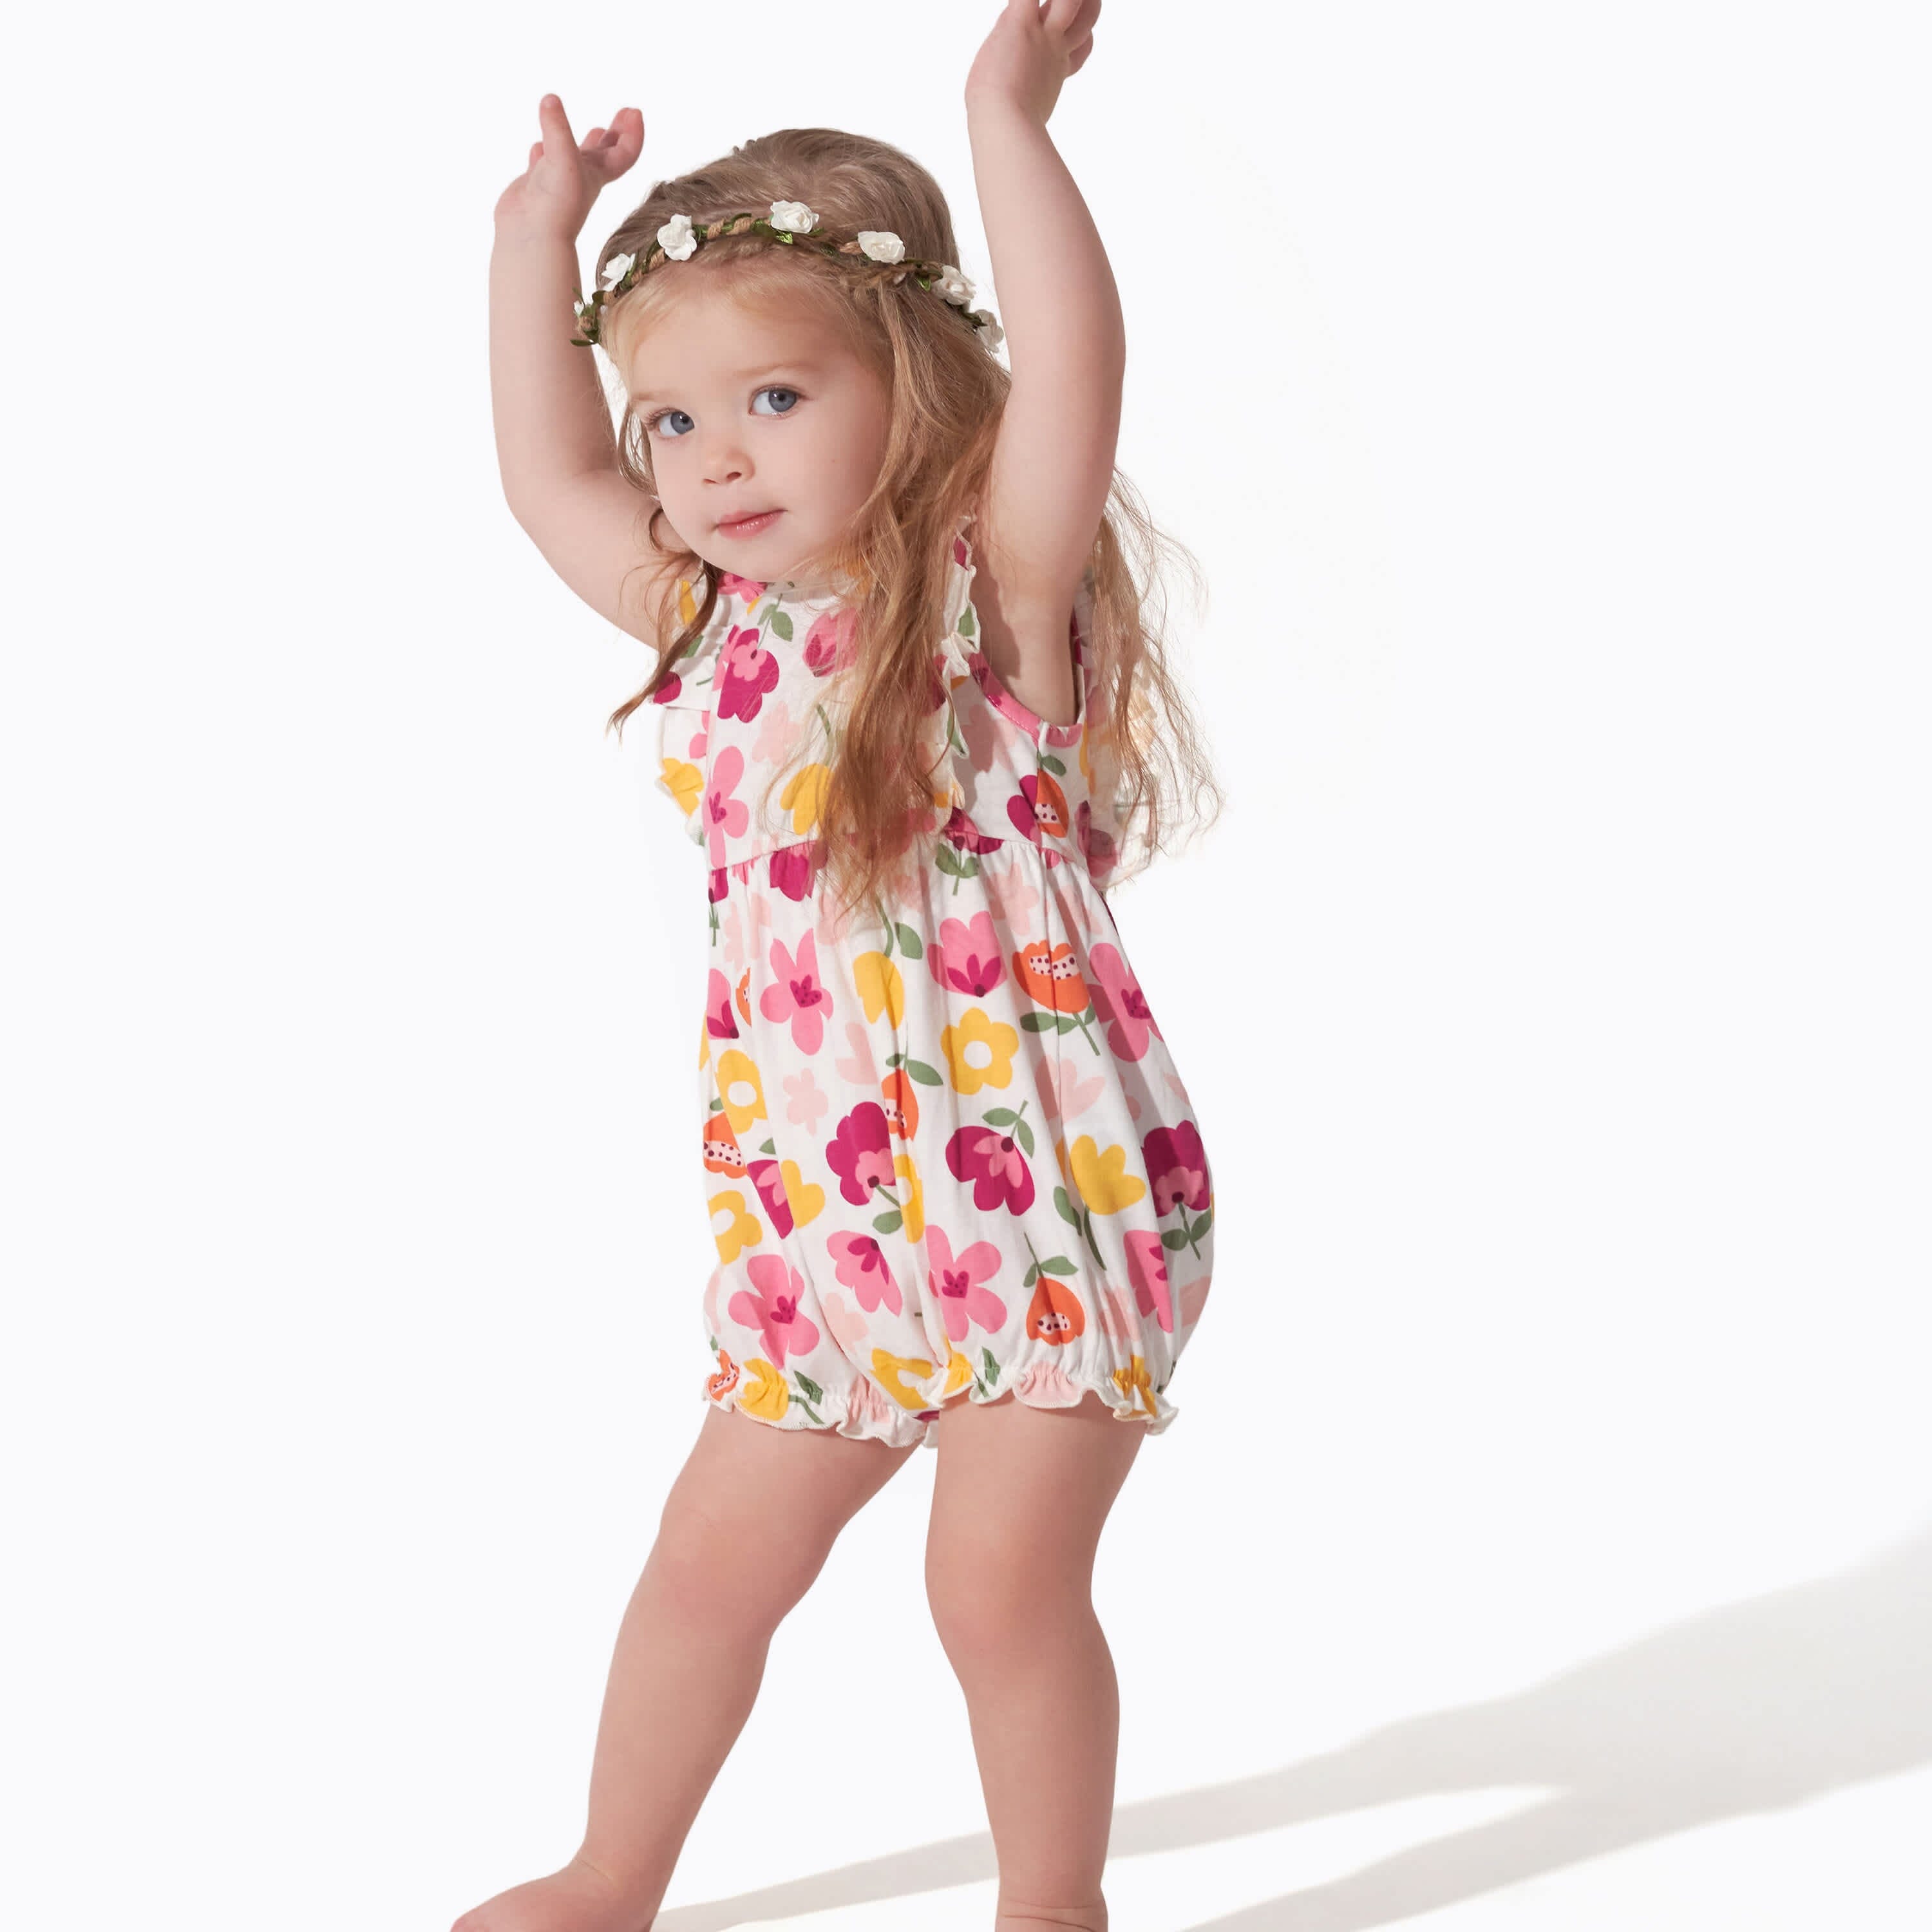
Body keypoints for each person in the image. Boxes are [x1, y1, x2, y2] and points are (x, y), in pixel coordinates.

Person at [462, 5, 1222, 1927]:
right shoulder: (711, 627)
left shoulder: (990, 594)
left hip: (1046, 1215)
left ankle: (1054, 1909)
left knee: (993, 1589)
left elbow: (1075, 363)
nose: (713, 459)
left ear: (912, 376)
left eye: (775, 398)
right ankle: (607, 1878)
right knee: (704, 1569)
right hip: (820, 1248)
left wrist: (1005, 117)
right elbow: (545, 478)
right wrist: (536, 245)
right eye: (672, 422)